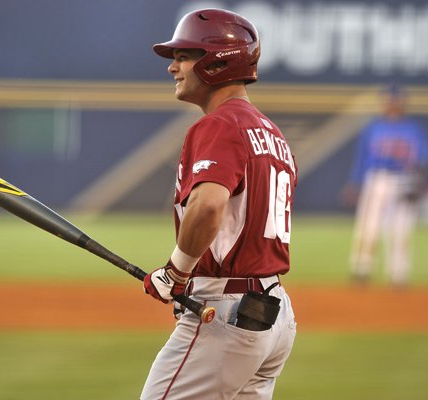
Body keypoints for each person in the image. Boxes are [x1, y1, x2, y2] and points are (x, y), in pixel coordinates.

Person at [141, 8, 298, 400]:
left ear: (216, 61)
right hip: (272, 312)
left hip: (227, 313)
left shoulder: (219, 124)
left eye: (184, 56)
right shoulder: (272, 133)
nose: (173, 68)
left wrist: (176, 273)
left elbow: (209, 206)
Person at [341, 84, 428, 287]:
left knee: (401, 231)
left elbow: (422, 158)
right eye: (389, 100)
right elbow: (362, 157)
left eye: (395, 100)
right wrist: (355, 182)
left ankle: (398, 274)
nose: (391, 104)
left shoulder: (412, 129)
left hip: (403, 179)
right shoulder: (373, 127)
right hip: (377, 179)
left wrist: (416, 183)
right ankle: (361, 270)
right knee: (368, 227)